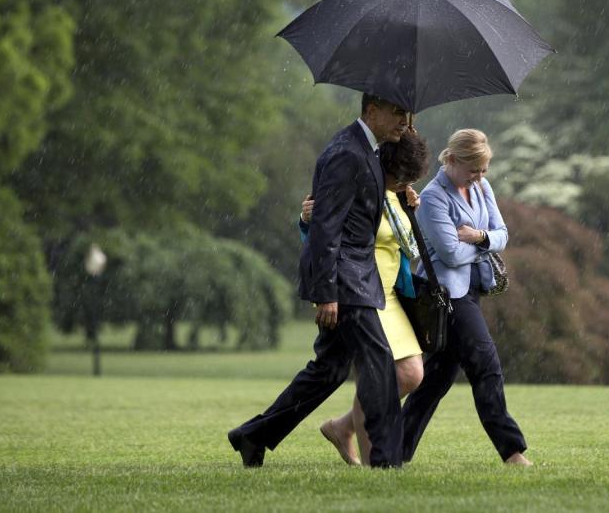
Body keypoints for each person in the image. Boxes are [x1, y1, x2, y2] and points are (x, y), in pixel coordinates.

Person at [227, 94, 410, 469]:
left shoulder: (369, 150)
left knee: (328, 372)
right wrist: (327, 293)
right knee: (378, 362)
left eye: (406, 114)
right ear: (370, 110)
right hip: (346, 282)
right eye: (396, 113)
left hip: (354, 279)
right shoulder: (347, 153)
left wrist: (402, 196)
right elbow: (326, 228)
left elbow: (360, 210)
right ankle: (388, 461)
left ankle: (253, 435)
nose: (403, 121)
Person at [300, 130, 431, 465]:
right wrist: (305, 220)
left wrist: (406, 204)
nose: (406, 183)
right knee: (376, 375)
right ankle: (379, 462)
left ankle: (342, 428)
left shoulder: (397, 194)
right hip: (359, 292)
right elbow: (324, 230)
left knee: (410, 374)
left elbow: (406, 246)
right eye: (403, 178)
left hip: (390, 294)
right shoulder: (361, 180)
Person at [401, 128, 532, 466]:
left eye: (484, 169)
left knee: (435, 380)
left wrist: (477, 236)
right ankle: (512, 451)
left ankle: (390, 451)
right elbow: (449, 255)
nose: (480, 177)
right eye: (474, 168)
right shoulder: (433, 198)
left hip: (473, 290)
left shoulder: (481, 187)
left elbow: (502, 235)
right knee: (485, 364)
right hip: (448, 294)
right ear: (453, 159)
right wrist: (482, 245)